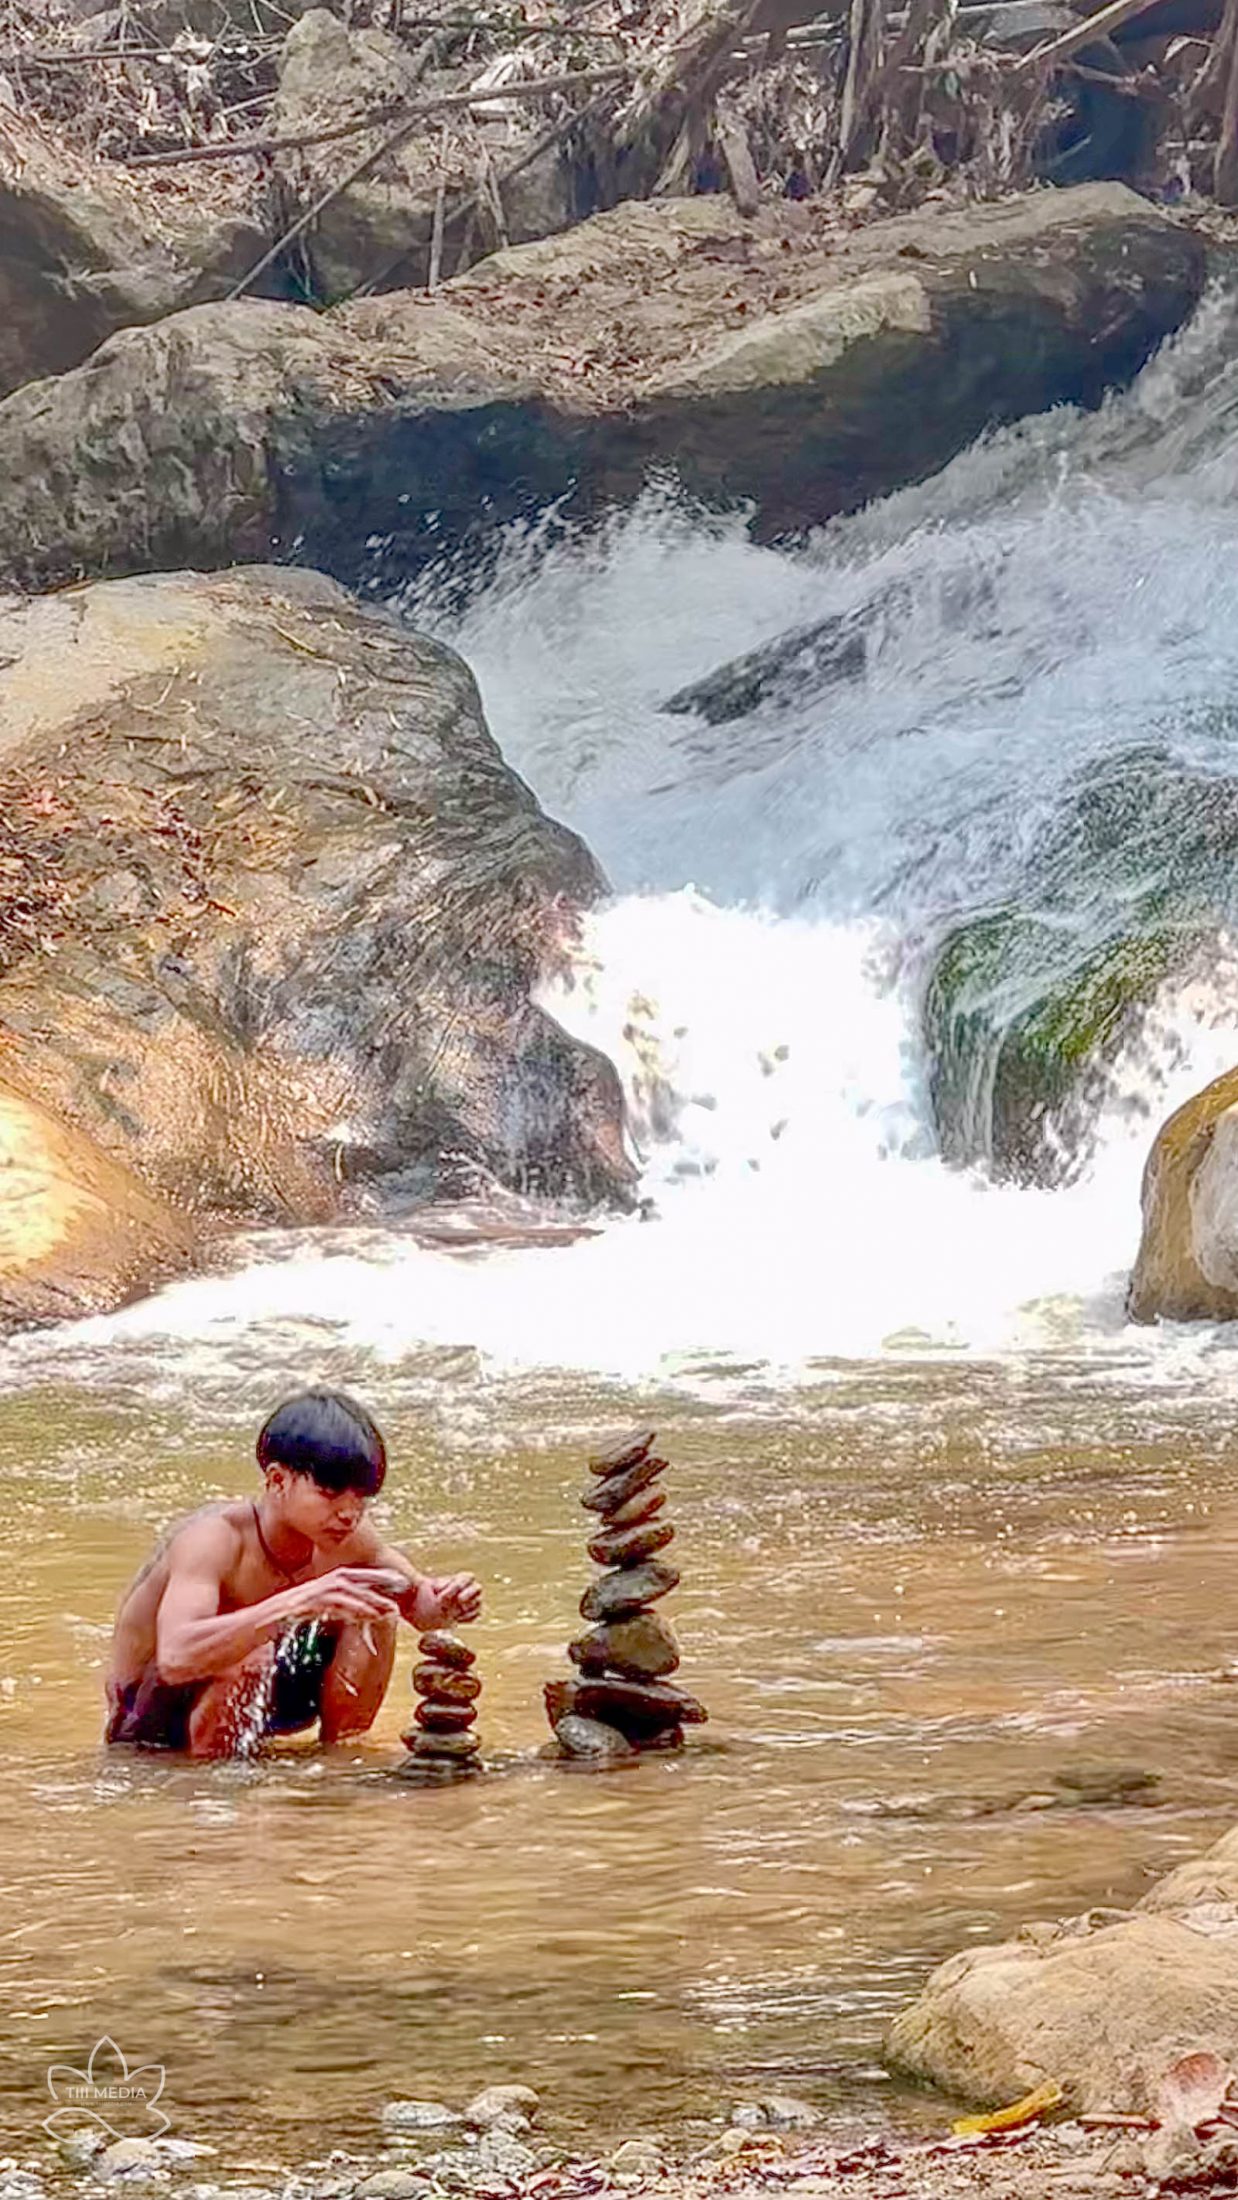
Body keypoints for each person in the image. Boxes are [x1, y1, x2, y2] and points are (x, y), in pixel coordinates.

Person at [104, 1389, 482, 1758]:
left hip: (265, 1697)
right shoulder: (214, 1540)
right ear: (277, 1481)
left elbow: (420, 1608)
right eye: (330, 1493)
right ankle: (214, 1782)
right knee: (252, 1652)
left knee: (375, 1606)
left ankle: (341, 1758)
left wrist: (448, 1601)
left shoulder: (350, 1540)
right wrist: (295, 1604)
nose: (349, 1514)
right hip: (151, 1722)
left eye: (360, 1498)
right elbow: (176, 1657)